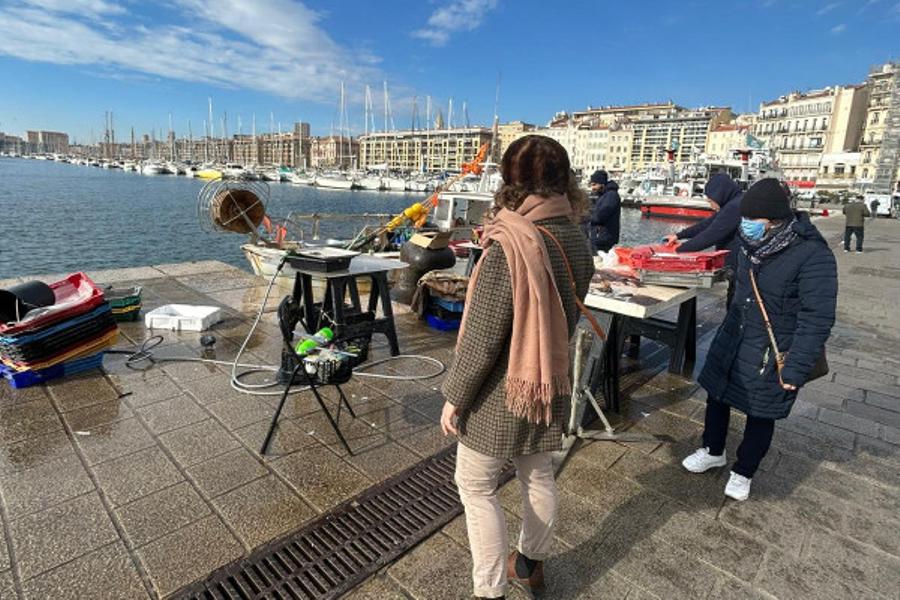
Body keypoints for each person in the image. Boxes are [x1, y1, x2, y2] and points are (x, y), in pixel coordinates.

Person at [440, 135, 594, 600]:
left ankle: (489, 590)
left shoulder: (509, 244)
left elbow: (483, 340)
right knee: (538, 473)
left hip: (500, 392)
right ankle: (530, 564)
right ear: (564, 179)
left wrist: (454, 397)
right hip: (547, 379)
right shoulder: (575, 237)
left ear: (509, 182)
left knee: (475, 485)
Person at [682, 178, 837, 501]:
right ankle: (712, 449)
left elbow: (817, 317)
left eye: (754, 220)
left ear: (775, 221)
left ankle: (744, 470)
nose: (746, 225)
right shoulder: (748, 247)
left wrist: (796, 366)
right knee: (717, 394)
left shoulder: (812, 255)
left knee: (761, 410)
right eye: (745, 219)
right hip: (735, 334)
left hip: (773, 345)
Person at [663, 173, 743, 307]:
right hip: (736, 265)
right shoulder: (732, 203)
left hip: (739, 265)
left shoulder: (735, 207)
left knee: (735, 303)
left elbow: (710, 236)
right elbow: (706, 224)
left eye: (711, 201)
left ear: (720, 194)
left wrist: (676, 252)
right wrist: (679, 235)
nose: (710, 205)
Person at [587, 169, 621, 253]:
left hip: (604, 238)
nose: (592, 188)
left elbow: (600, 216)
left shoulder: (611, 196)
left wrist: (587, 217)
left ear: (601, 183)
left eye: (594, 185)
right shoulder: (604, 195)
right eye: (591, 185)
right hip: (601, 236)